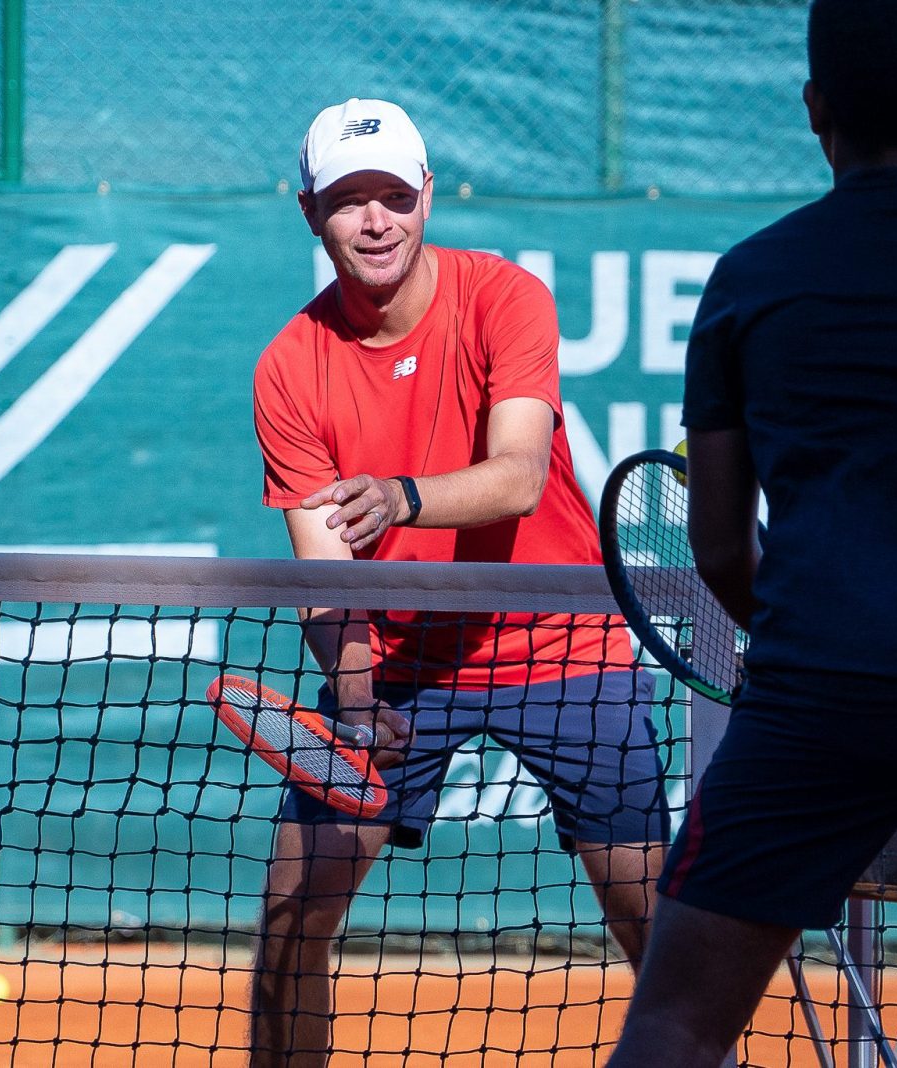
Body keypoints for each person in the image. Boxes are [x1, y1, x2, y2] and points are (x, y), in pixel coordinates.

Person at [606, 2, 897, 1064]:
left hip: (823, 690)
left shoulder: (750, 282)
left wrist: (817, 641)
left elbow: (719, 548)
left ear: (813, 109)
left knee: (675, 1022)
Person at [250, 97, 670, 1067]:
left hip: (563, 648)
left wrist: (399, 498)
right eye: (350, 199)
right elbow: (327, 583)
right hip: (398, 665)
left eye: (393, 194)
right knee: (289, 924)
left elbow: (518, 473)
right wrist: (355, 707)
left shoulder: (503, 298)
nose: (376, 219)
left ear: (426, 195)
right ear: (309, 209)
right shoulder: (288, 369)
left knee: (663, 936)